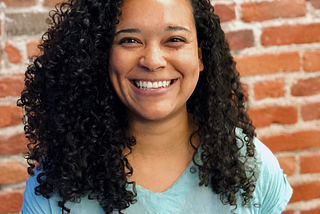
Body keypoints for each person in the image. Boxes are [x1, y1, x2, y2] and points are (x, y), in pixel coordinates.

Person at [18, 0, 292, 213]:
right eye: (129, 40)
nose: (152, 60)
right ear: (101, 56)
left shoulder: (250, 164)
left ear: (199, 57)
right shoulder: (56, 182)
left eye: (174, 40)